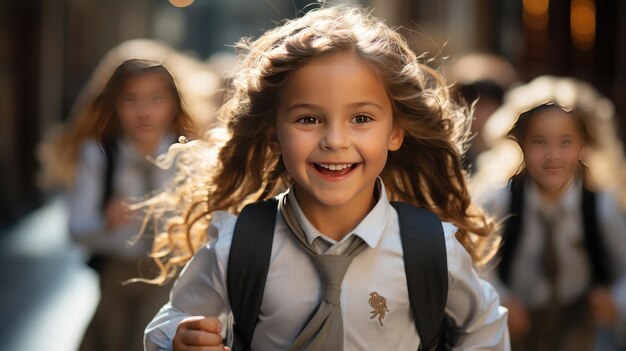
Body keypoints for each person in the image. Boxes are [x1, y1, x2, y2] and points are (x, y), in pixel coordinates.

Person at [142, 5, 510, 351]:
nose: (335, 140)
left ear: (396, 132)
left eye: (361, 119)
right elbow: (168, 323)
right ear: (273, 134)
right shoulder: (235, 246)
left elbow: (485, 324)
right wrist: (178, 337)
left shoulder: (432, 248)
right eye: (309, 119)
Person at [63, 59, 196, 351]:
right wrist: (105, 222)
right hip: (117, 277)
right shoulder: (99, 155)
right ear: (114, 105)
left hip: (174, 277)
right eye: (130, 99)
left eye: (156, 99)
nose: (144, 111)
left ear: (173, 103)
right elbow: (75, 230)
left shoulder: (191, 156)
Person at [479, 101, 626, 350]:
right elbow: (475, 263)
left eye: (565, 142)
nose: (553, 156)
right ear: (522, 145)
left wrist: (615, 300)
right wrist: (500, 299)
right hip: (517, 323)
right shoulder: (500, 201)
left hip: (578, 321)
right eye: (539, 142)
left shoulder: (600, 207)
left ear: (582, 146)